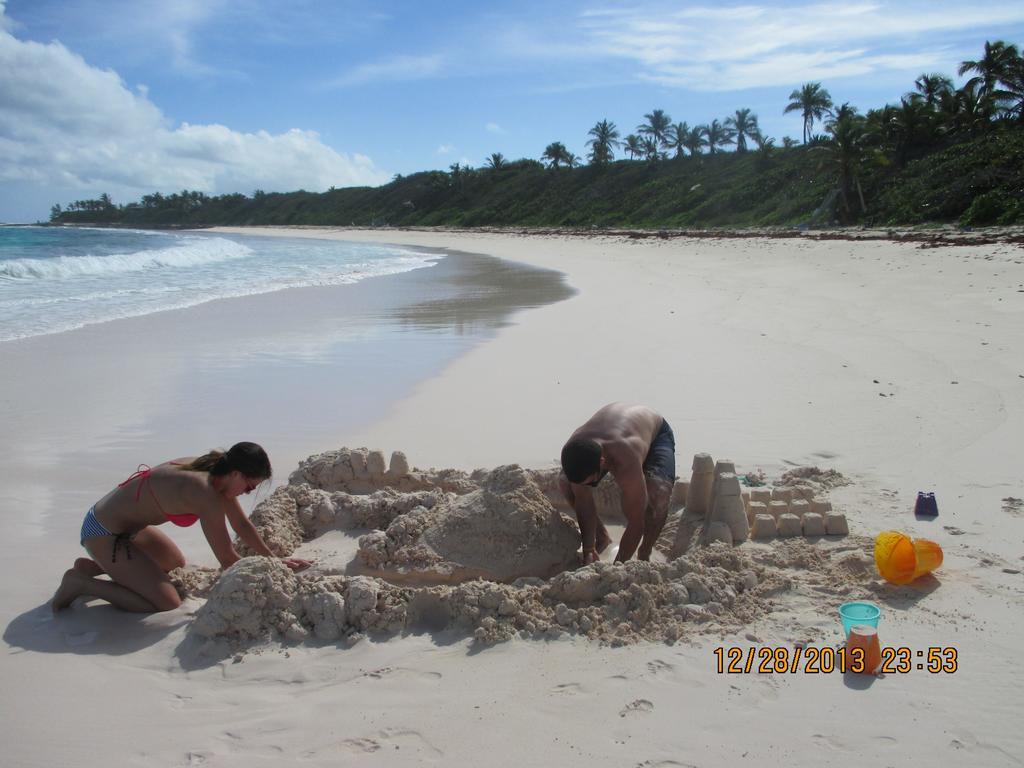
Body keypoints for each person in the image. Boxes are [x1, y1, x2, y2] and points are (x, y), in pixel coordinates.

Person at [52, 442, 310, 613]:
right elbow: (227, 558)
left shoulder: (216, 469)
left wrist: (274, 559)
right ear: (236, 474)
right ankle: (81, 584)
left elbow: (241, 524)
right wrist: (274, 578)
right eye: (249, 487)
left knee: (174, 562)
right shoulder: (203, 491)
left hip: (126, 527)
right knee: (165, 603)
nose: (247, 493)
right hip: (104, 532)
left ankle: (98, 566)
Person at [559, 403, 676, 564]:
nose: (588, 485)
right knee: (566, 483)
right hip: (613, 431)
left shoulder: (626, 460)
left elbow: (636, 522)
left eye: (591, 481)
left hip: (656, 433)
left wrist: (618, 567)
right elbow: (583, 500)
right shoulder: (575, 447)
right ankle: (601, 538)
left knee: (658, 495)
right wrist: (588, 549)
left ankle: (645, 552)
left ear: (602, 462)